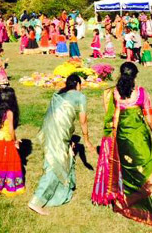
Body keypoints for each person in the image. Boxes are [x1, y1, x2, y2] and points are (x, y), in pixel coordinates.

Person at [92, 62, 152, 227]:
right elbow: (149, 117)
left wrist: (113, 136)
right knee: (148, 171)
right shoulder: (141, 93)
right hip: (138, 137)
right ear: (134, 76)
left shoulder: (116, 92)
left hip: (122, 137)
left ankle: (124, 205)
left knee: (127, 172)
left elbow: (116, 118)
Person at [28, 74, 96, 215]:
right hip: (58, 133)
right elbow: (83, 120)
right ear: (77, 84)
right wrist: (87, 140)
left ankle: (60, 192)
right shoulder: (79, 96)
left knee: (65, 156)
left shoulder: (59, 94)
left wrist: (69, 138)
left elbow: (61, 117)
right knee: (55, 164)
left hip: (50, 129)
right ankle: (36, 201)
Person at [0, 86, 25, 197]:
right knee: (8, 162)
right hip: (6, 140)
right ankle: (6, 184)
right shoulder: (10, 112)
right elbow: (11, 129)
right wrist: (15, 140)